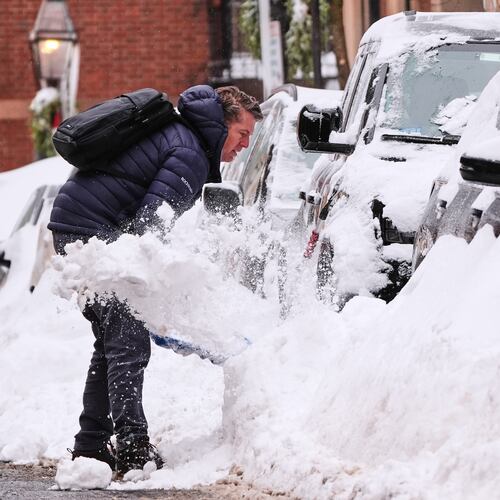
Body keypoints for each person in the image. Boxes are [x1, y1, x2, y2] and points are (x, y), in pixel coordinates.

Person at [48, 85, 262, 476]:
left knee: (114, 342)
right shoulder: (190, 154)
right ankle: (132, 448)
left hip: (79, 227)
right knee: (129, 343)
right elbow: (150, 227)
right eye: (242, 134)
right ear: (221, 126)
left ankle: (91, 446)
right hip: (90, 232)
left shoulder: (182, 138)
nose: (245, 145)